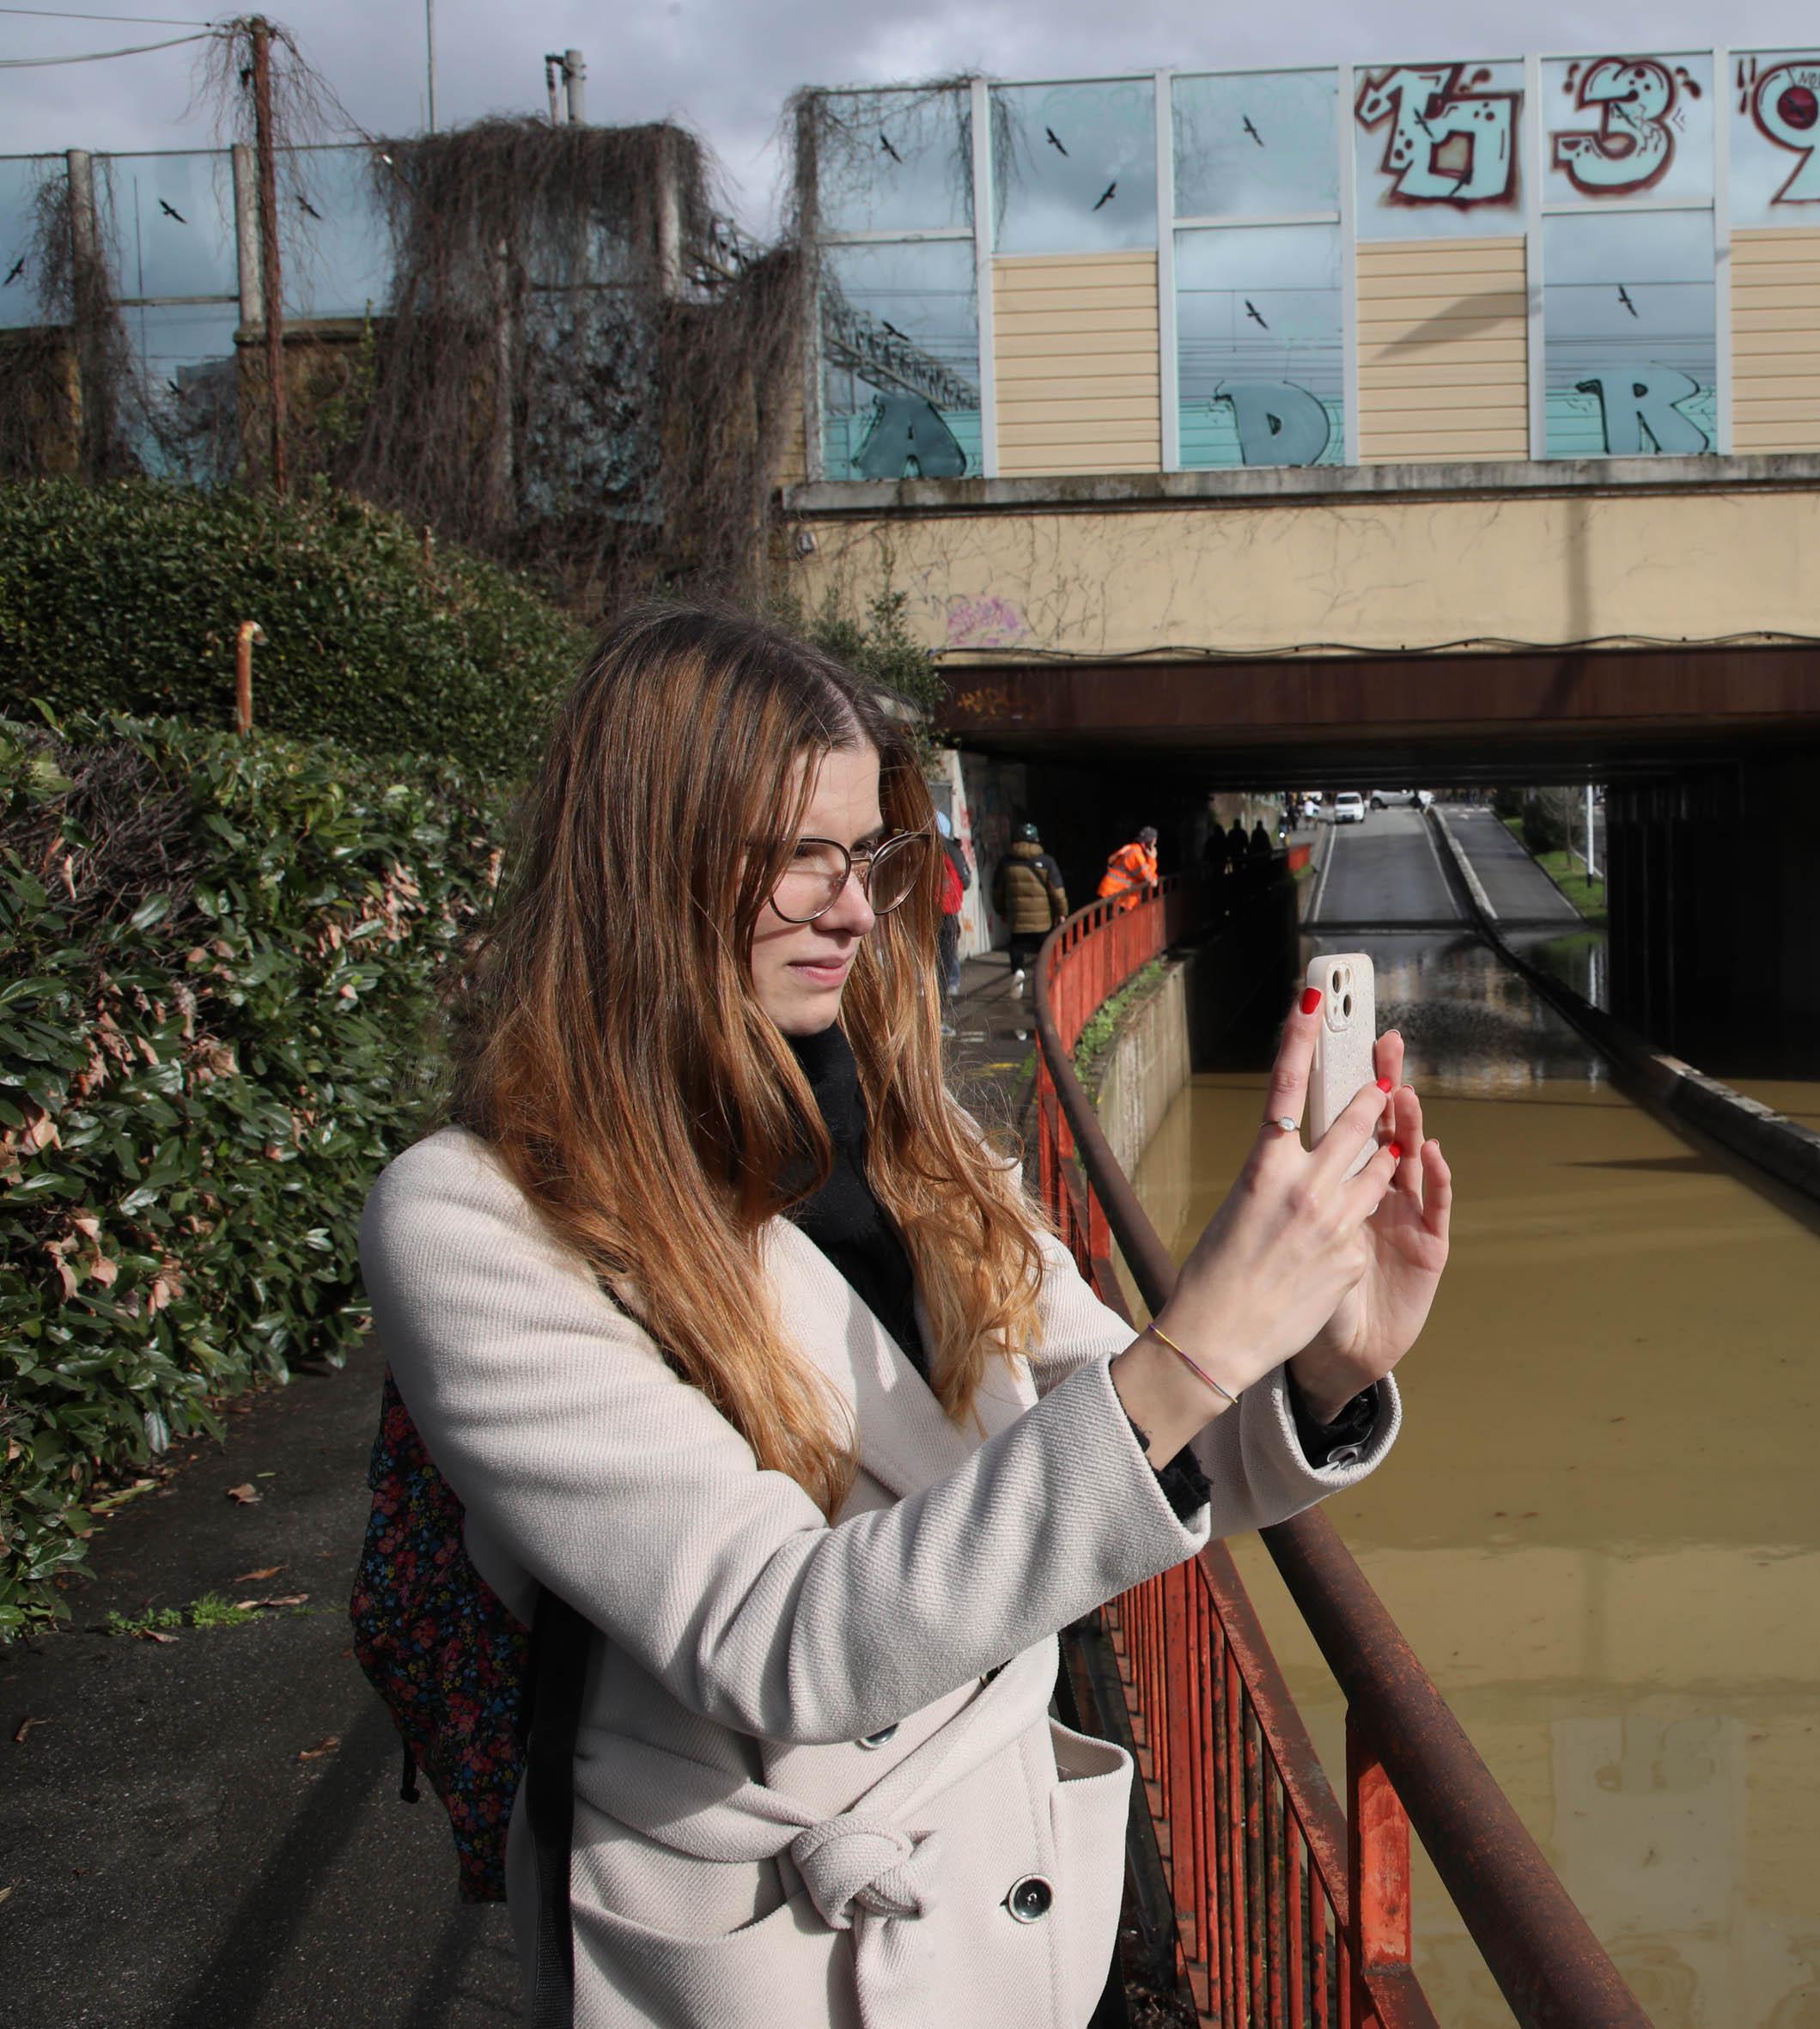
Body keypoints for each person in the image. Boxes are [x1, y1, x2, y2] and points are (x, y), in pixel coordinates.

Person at [356, 606, 1452, 2029]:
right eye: (799, 856)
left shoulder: (907, 1122)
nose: (857, 909)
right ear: (646, 856)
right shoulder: (480, 1217)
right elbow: (782, 1638)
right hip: (774, 1953)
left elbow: (1118, 1444)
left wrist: (1317, 1366)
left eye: (867, 854)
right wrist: (1198, 1341)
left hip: (1014, 1889)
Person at [993, 821, 1068, 978]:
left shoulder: (1006, 862)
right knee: (1045, 949)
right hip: (1042, 920)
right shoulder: (1047, 861)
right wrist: (1062, 912)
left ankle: (1018, 972)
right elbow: (1057, 891)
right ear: (1037, 840)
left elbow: (997, 890)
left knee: (1017, 946)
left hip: (1017, 918)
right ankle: (1044, 978)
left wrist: (1001, 910)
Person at [931, 810, 971, 1015]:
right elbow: (966, 880)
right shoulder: (951, 849)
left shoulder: (917, 847)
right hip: (945, 913)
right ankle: (938, 1012)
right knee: (944, 962)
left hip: (921, 913)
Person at [1096, 824, 1160, 912]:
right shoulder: (1135, 854)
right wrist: (1152, 859)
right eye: (1154, 844)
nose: (1154, 847)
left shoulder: (1135, 850)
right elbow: (1148, 878)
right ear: (1148, 842)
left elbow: (1147, 874)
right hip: (1114, 895)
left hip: (1115, 895)